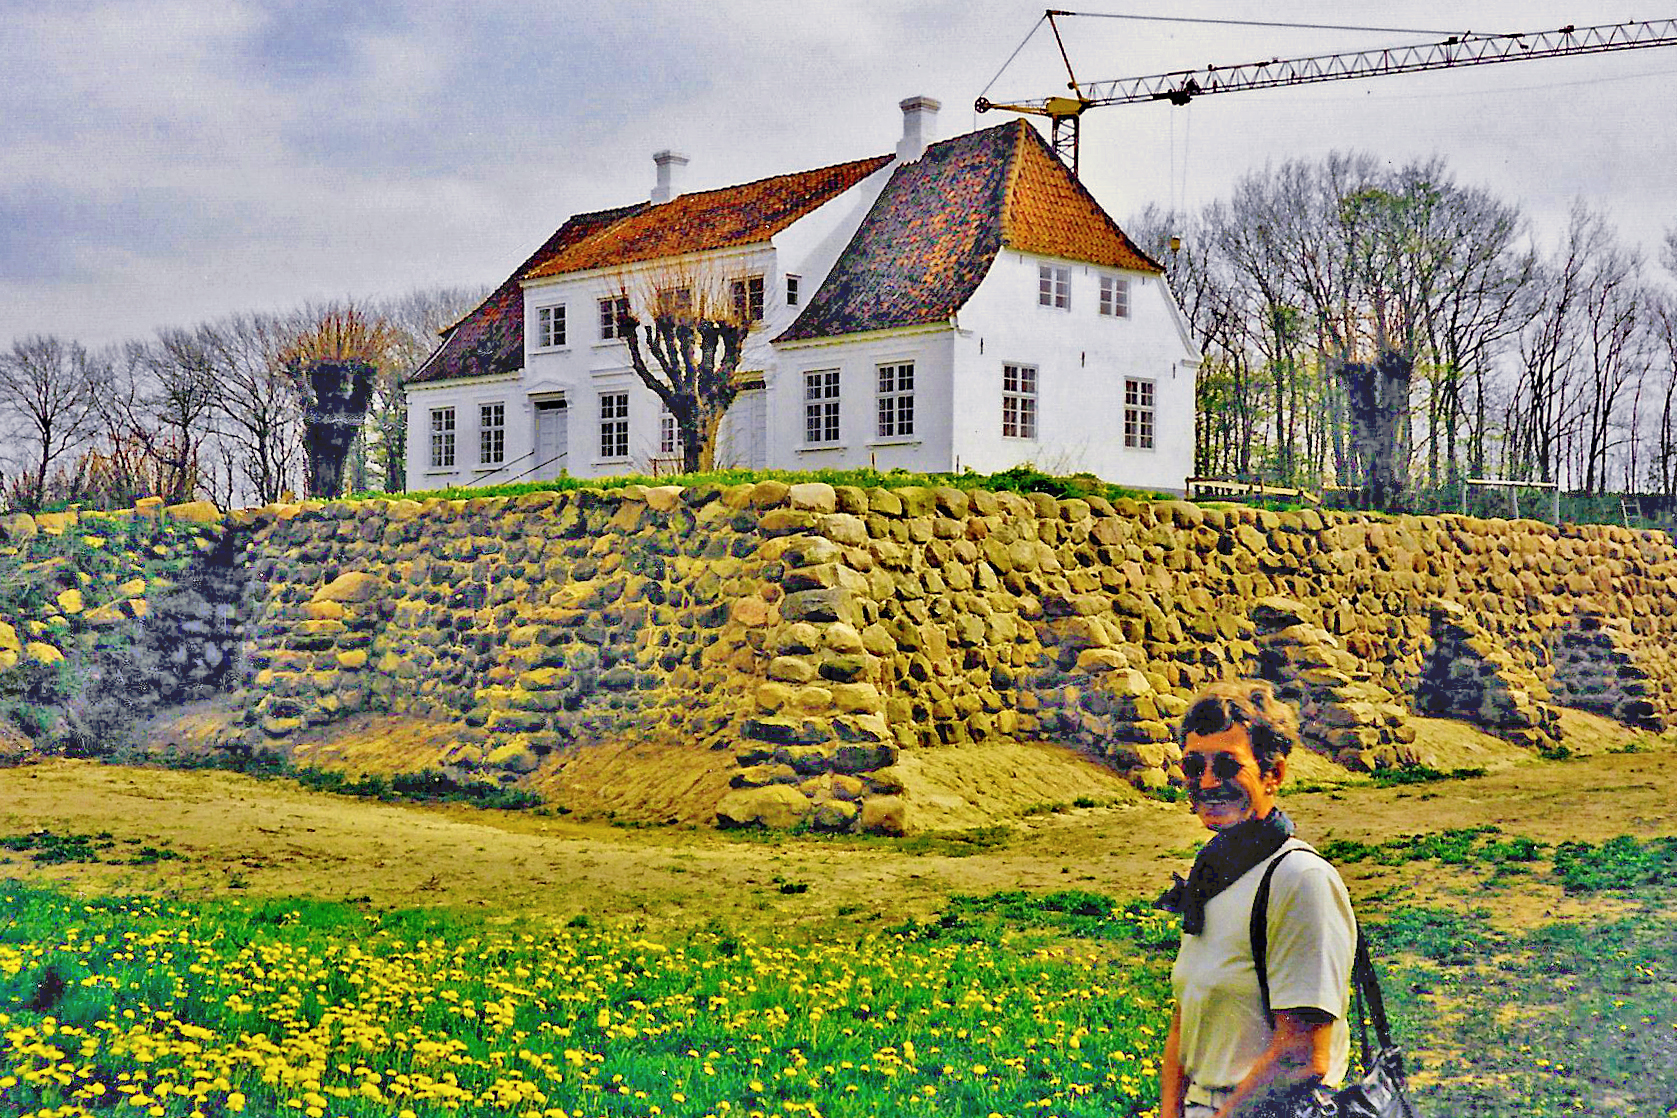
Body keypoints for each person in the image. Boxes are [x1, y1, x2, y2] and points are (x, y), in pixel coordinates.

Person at [1156, 680, 1357, 1118]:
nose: (1208, 782)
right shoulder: (1214, 873)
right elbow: (1187, 1023)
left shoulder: (1299, 881)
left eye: (1228, 766)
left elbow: (1301, 1055)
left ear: (1274, 775)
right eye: (1194, 767)